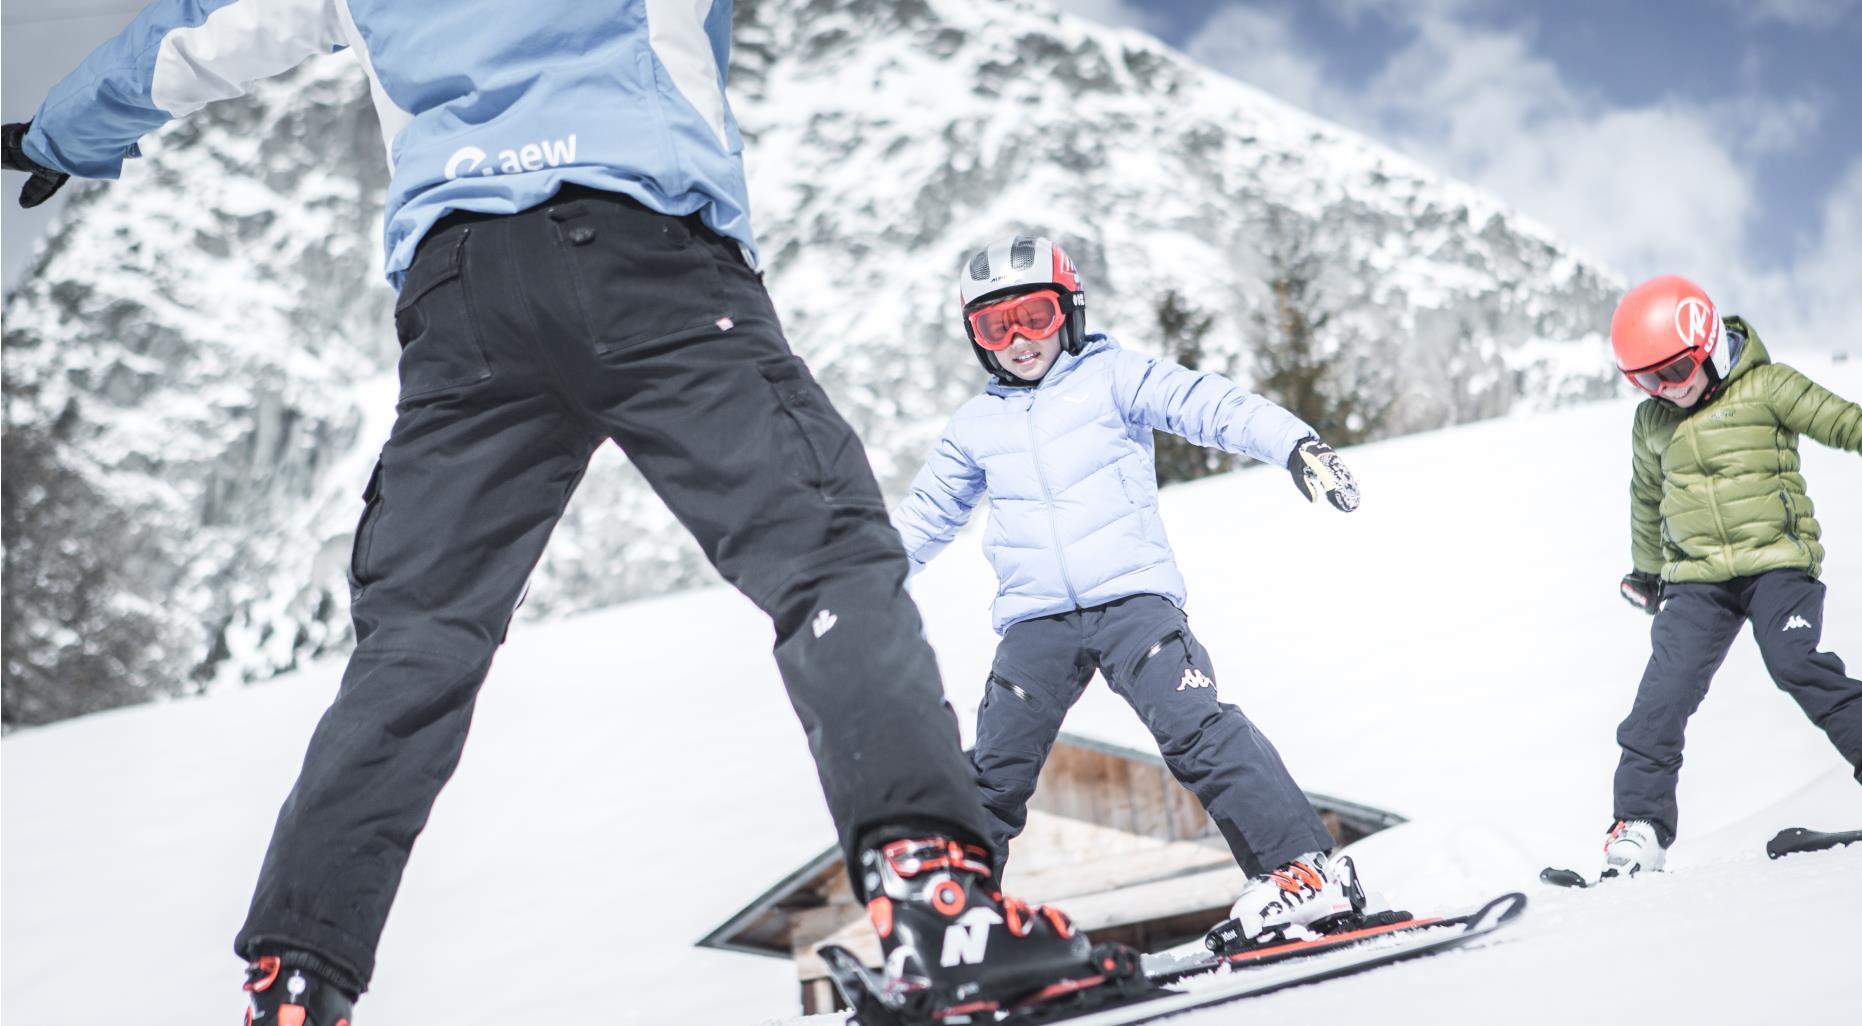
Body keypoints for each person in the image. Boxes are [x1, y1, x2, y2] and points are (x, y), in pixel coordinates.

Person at [3, 4, 1103, 1022]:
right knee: (823, 561)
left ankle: (294, 988)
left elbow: (206, 32)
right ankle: (934, 907)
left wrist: (60, 132)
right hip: (648, 254)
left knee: (415, 647)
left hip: (463, 296)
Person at [892, 234, 1369, 951]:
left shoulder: (1115, 377)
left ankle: (1302, 872)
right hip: (1036, 625)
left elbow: (1209, 404)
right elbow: (925, 516)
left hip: (1132, 604)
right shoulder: (975, 427)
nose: (1019, 340)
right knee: (991, 775)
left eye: (1036, 316)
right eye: (997, 326)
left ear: (1070, 312)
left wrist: (1295, 444)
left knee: (1198, 728)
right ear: (976, 337)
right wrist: (860, 582)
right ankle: (954, 933)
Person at [1602, 274, 1862, 880]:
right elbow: (1647, 498)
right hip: (1696, 581)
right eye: (1645, 381)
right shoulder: (1652, 423)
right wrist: (1647, 572)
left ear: (1705, 345)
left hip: (1778, 563)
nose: (1663, 391)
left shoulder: (1769, 387)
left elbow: (1854, 425)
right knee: (1662, 694)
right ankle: (1638, 825)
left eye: (1671, 372)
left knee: (1795, 662)